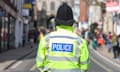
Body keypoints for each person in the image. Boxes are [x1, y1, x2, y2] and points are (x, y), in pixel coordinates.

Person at [36, 3, 90, 72]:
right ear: (72, 23)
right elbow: (84, 67)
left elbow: (39, 64)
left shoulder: (46, 40)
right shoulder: (81, 42)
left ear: (56, 22)